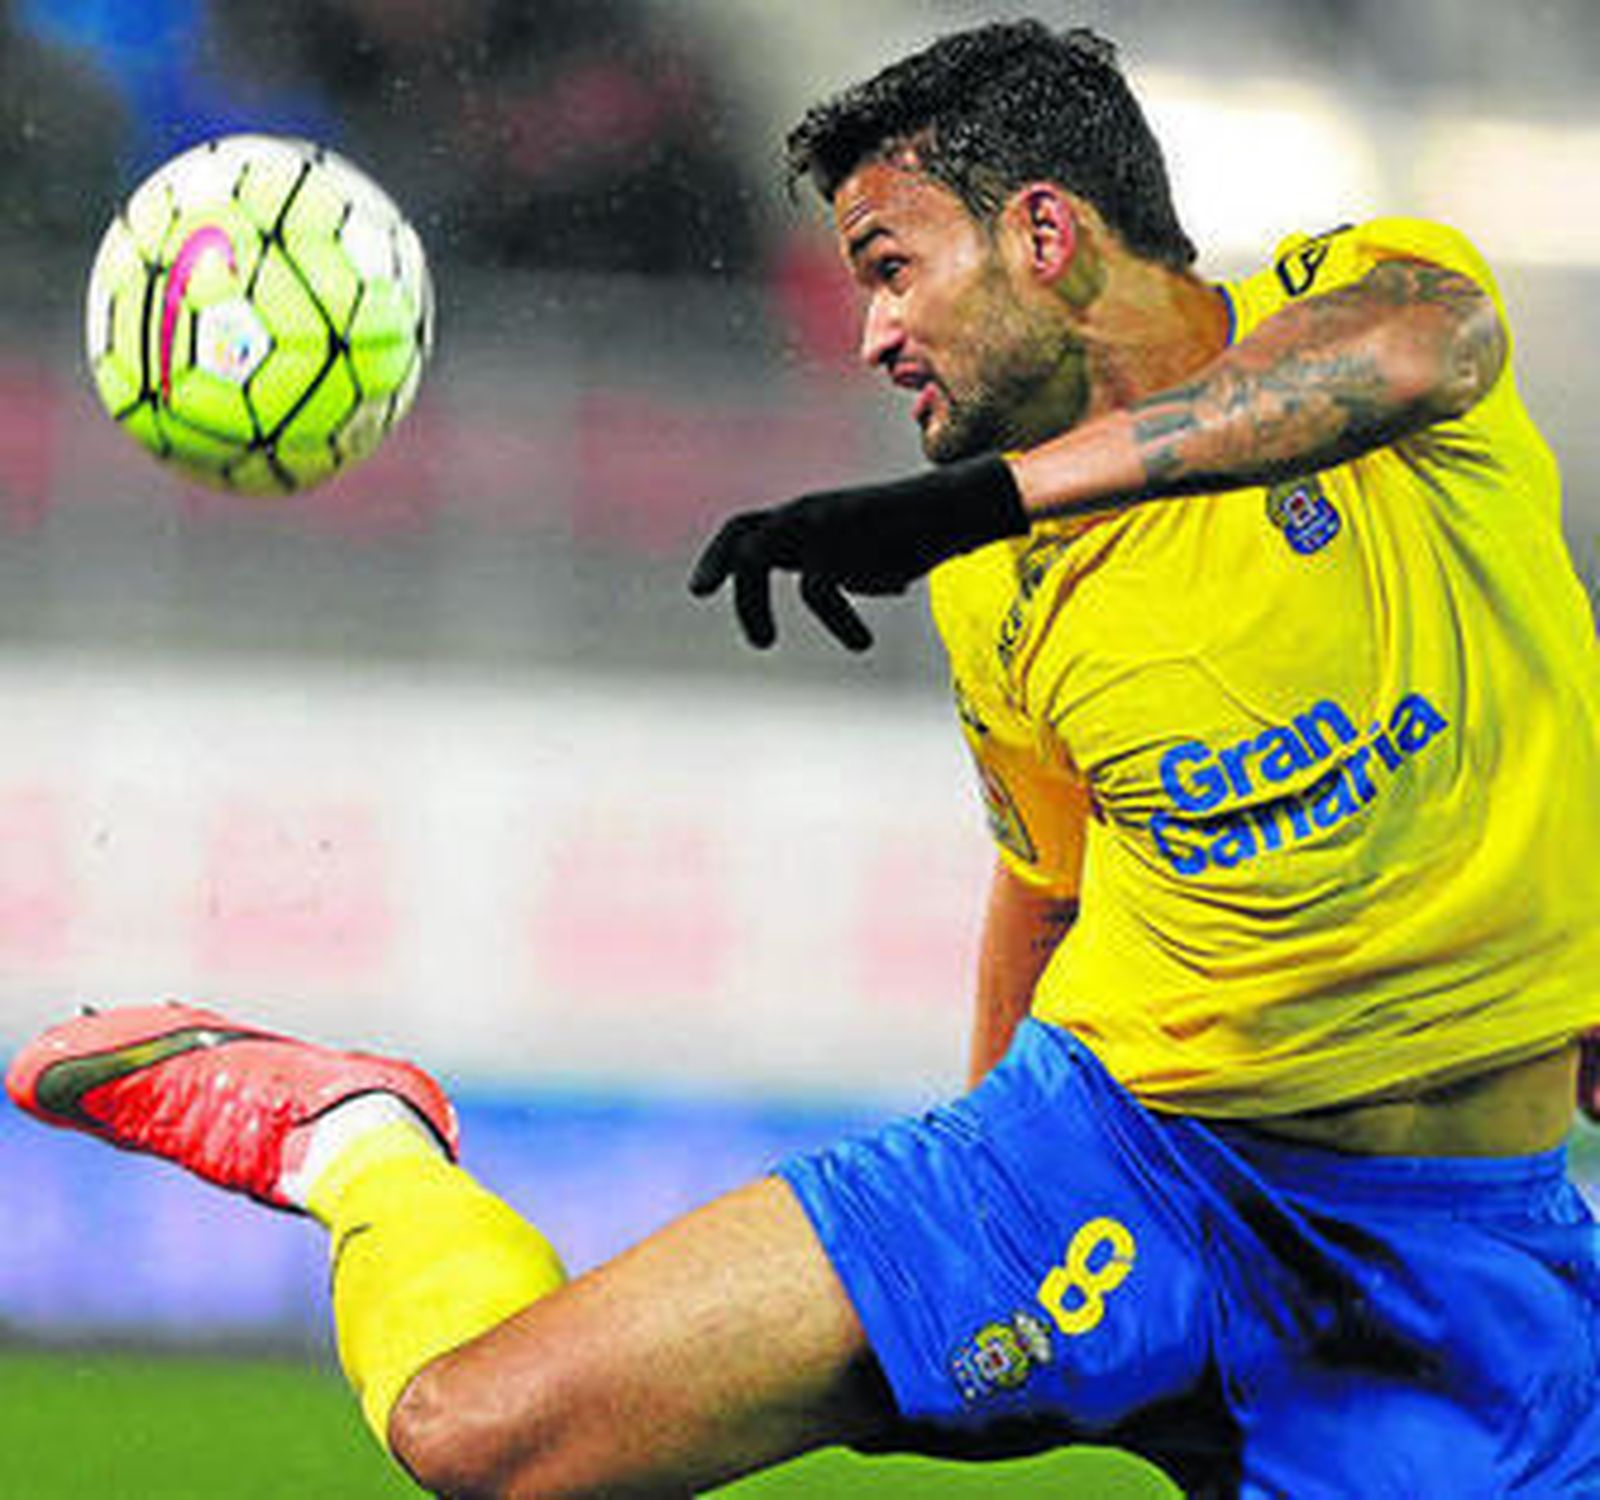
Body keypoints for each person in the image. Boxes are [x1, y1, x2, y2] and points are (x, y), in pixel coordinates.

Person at [9, 17, 1600, 1497]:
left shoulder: (1385, 291)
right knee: (478, 1436)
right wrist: (986, 1202)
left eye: (893, 269)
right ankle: (357, 1140)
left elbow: (1402, 361)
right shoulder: (998, 586)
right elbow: (1045, 889)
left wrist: (975, 502)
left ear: (1045, 234)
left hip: (1462, 1248)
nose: (872, 334)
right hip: (1136, 1156)